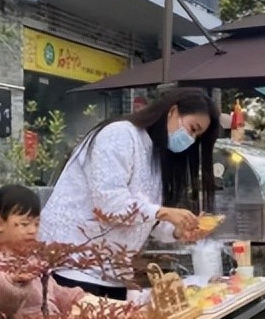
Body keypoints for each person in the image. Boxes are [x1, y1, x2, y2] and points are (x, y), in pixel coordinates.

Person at [38, 88, 216, 298]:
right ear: (173, 112)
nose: (191, 139)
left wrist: (178, 230)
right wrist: (164, 213)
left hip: (113, 272)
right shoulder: (121, 134)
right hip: (73, 266)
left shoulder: (156, 156)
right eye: (192, 129)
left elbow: (145, 217)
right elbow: (109, 204)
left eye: (196, 136)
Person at [0, 185, 84, 319]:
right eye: (24, 224)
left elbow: (55, 293)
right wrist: (9, 281)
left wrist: (80, 298)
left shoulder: (33, 261)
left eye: (36, 224)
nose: (32, 230)